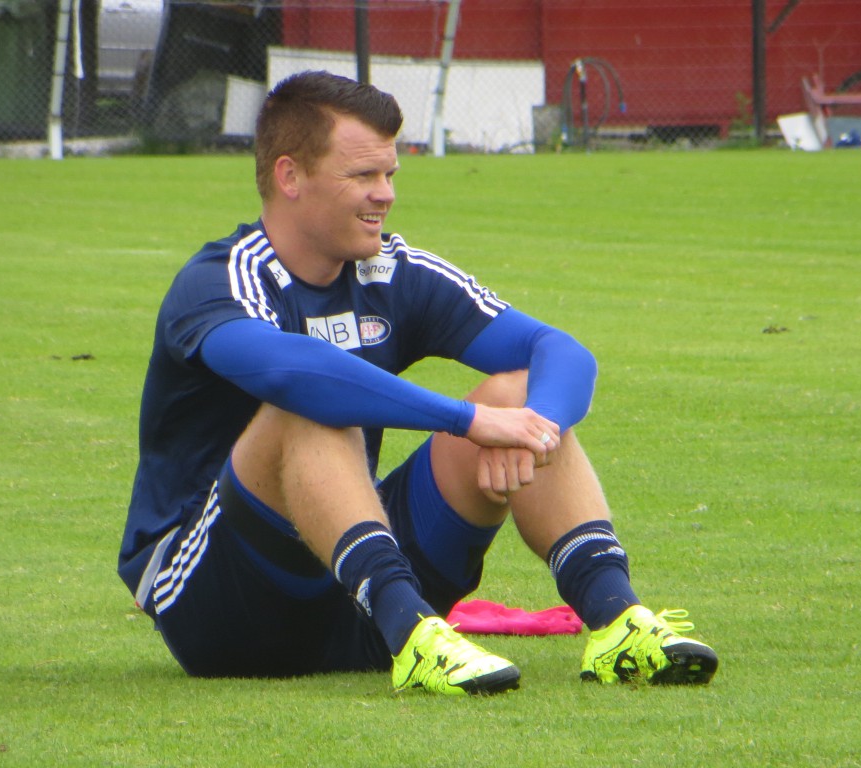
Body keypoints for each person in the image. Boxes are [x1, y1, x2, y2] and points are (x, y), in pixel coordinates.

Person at [117, 70, 718, 695]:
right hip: (224, 608)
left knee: (518, 396)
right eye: (362, 176)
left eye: (390, 175)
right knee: (306, 406)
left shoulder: (392, 270)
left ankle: (618, 622)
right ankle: (412, 635)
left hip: (355, 585)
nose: (385, 195)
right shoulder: (223, 280)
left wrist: (526, 427)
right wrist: (467, 420)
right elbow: (291, 373)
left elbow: (560, 352)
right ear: (290, 177)